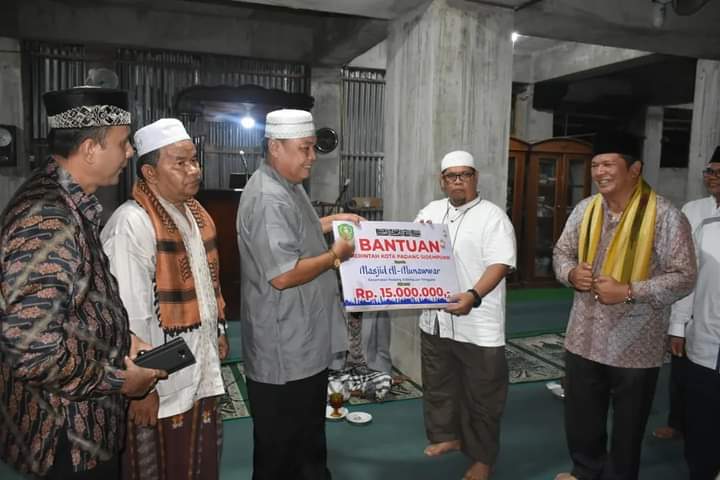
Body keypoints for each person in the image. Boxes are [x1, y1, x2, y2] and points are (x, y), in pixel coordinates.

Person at [0, 87, 163, 479]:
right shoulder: (47, 218)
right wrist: (120, 380)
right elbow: (31, 352)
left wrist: (123, 340)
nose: (129, 153)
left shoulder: (69, 203)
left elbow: (77, 304)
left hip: (85, 428)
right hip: (65, 436)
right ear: (90, 149)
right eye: (123, 143)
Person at [552, 131, 697, 480]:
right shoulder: (586, 209)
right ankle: (586, 472)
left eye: (608, 164)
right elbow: (561, 252)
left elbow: (684, 276)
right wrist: (570, 273)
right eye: (595, 165)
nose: (599, 172)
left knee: (628, 429)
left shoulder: (665, 215)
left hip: (635, 343)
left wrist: (629, 291)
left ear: (634, 169)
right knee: (582, 419)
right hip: (584, 336)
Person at [236, 109, 361, 480]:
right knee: (282, 450)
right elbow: (283, 274)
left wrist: (332, 221)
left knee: (307, 439)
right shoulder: (268, 198)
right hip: (284, 352)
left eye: (313, 148)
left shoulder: (286, 186)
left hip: (302, 343)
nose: (312, 157)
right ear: (276, 147)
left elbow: (295, 230)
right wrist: (335, 256)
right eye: (304, 148)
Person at [101, 118, 229, 480]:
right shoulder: (132, 223)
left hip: (199, 368)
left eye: (194, 160)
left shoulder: (196, 215)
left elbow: (208, 285)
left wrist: (218, 329)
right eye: (180, 163)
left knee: (199, 464)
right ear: (150, 173)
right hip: (160, 383)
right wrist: (142, 391)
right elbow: (131, 317)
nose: (194, 170)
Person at [414, 150, 516, 480]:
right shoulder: (430, 212)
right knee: (440, 384)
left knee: (483, 394)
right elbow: (406, 250)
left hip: (477, 323)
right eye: (451, 176)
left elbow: (500, 264)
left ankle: (483, 459)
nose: (458, 181)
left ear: (476, 178)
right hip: (436, 320)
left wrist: (473, 295)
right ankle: (448, 436)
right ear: (442, 181)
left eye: (465, 175)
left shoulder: (492, 217)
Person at [667, 146, 720, 479]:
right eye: (710, 171)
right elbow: (687, 278)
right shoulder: (706, 225)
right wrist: (678, 324)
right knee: (702, 424)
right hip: (705, 341)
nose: (713, 178)